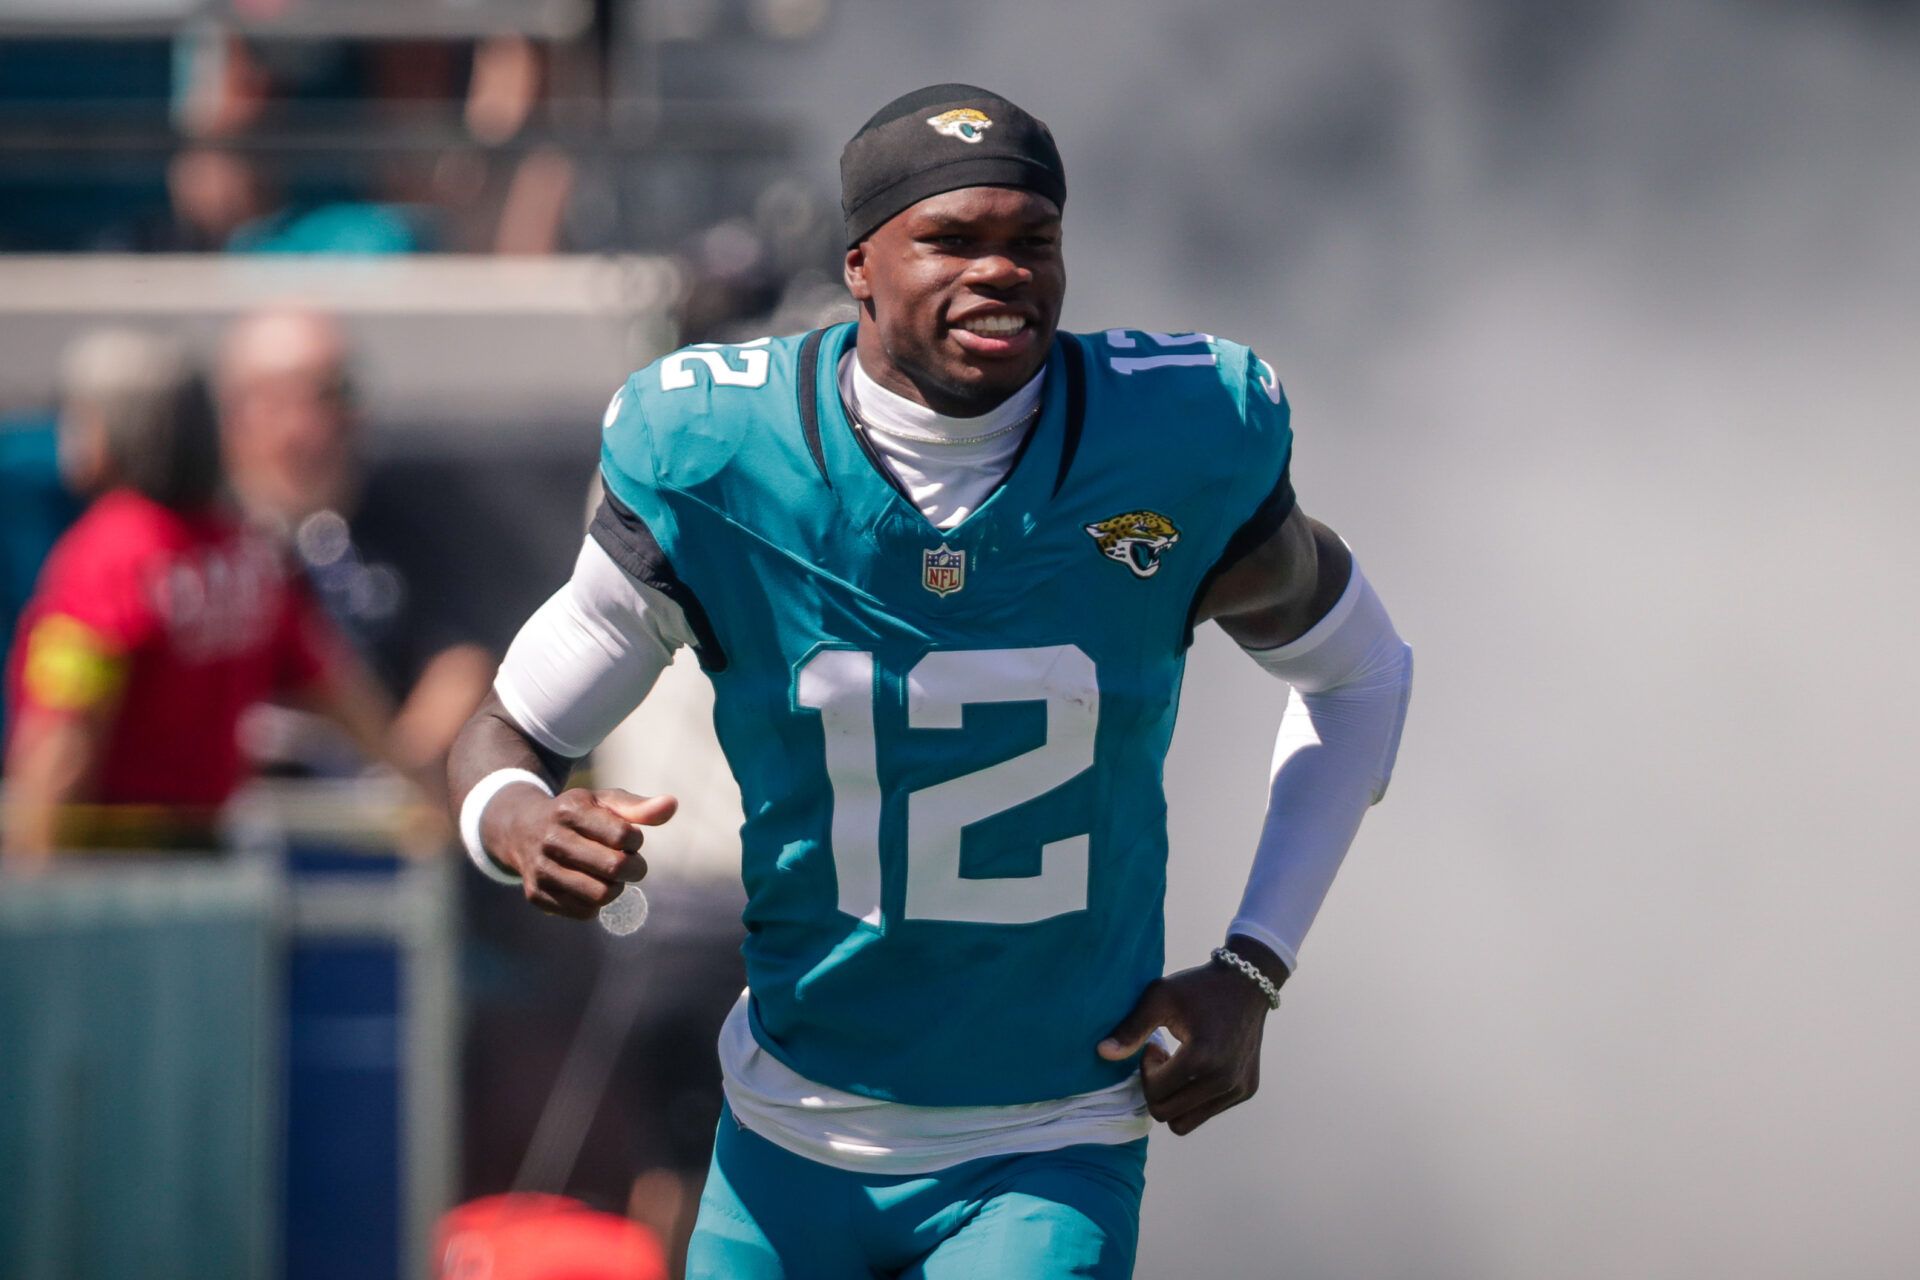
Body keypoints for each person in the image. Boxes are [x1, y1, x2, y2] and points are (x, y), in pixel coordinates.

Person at [449, 85, 1413, 1279]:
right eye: (954, 240)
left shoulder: (1175, 438)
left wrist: (1254, 964)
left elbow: (1361, 672)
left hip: (1043, 1142)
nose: (1001, 271)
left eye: (1032, 240)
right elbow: (509, 731)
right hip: (783, 1138)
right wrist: (521, 824)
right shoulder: (718, 457)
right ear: (860, 266)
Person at [1, 330, 396, 865]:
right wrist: (416, 782)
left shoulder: (109, 556)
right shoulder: (243, 553)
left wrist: (30, 875)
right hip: (210, 870)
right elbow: (334, 685)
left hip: (101, 872)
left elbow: (64, 735)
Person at [217, 307, 494, 792]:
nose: (317, 425)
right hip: (230, 808)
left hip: (373, 815)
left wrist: (395, 776)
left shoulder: (397, 521)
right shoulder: (195, 537)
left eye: (336, 396)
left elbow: (459, 659)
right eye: (289, 398)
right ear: (237, 412)